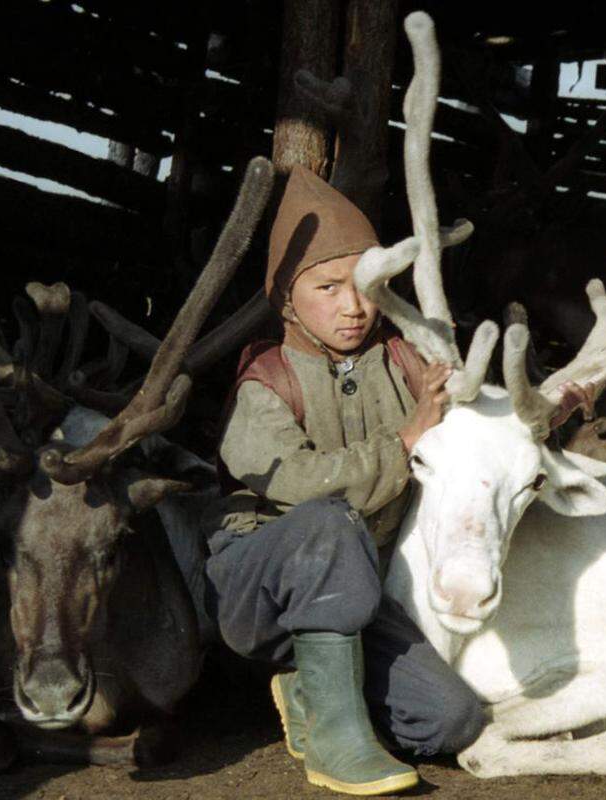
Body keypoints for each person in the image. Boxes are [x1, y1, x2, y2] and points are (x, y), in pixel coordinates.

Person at [202, 166, 484, 796]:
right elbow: (303, 484)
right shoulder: (265, 380)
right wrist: (407, 439)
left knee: (450, 720)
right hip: (256, 593)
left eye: (364, 286)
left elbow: (479, 441)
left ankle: (311, 687)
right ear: (284, 300)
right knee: (329, 519)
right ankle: (335, 744)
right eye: (327, 287)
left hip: (352, 600)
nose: (353, 307)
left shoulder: (405, 361)